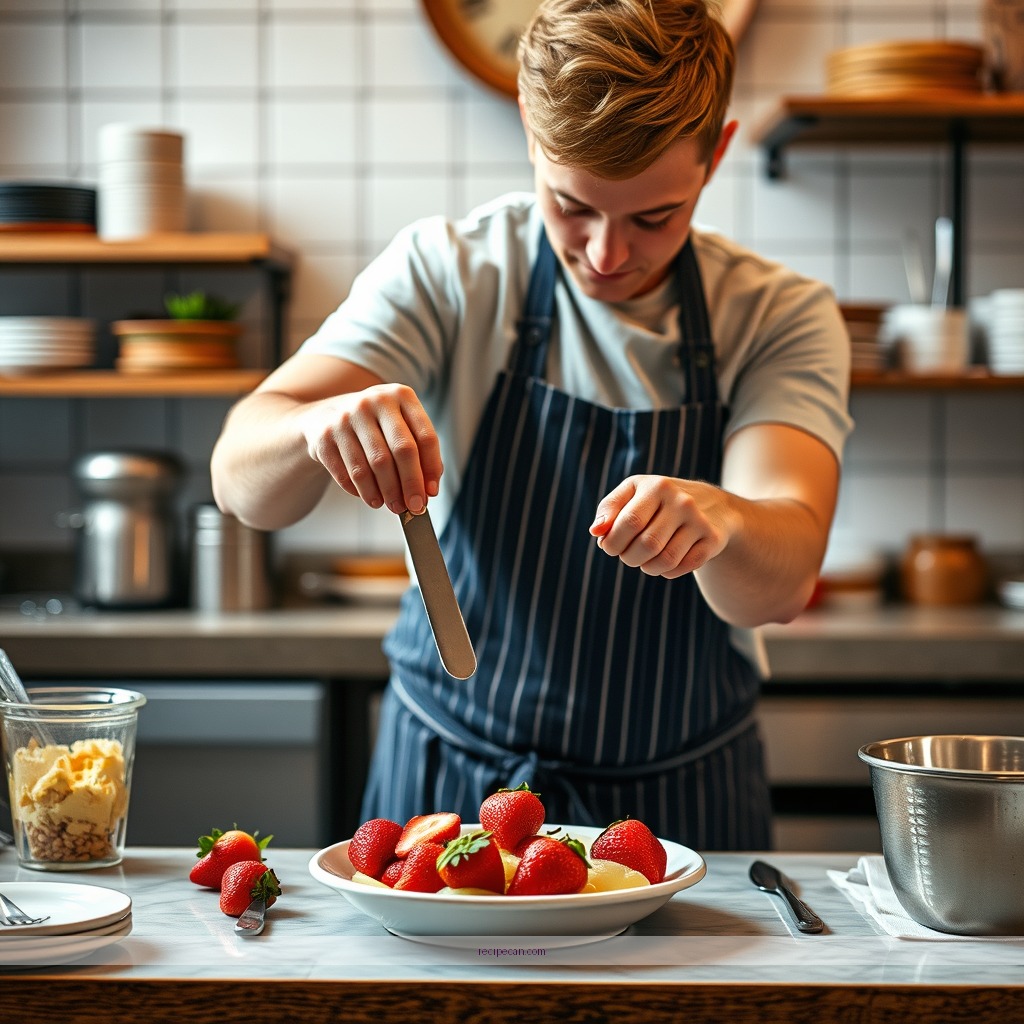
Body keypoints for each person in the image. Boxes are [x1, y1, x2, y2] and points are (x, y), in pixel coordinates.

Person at [211, 0, 852, 850]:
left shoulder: (778, 315)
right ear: (529, 130)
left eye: (654, 217)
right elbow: (241, 480)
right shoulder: (451, 271)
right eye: (572, 205)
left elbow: (778, 586)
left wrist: (728, 520)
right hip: (450, 786)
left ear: (718, 154)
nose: (606, 255)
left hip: (679, 804)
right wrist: (316, 425)